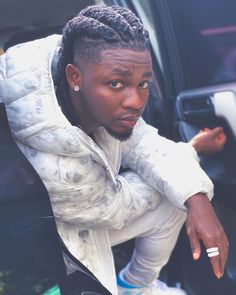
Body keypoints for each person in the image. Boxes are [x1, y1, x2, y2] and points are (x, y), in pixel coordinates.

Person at [0, 4, 228, 295]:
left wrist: (196, 196)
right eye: (117, 83)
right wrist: (191, 153)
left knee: (179, 189)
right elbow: (114, 210)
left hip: (69, 214)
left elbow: (142, 140)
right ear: (74, 77)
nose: (135, 101)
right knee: (170, 194)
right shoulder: (52, 161)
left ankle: (134, 284)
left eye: (143, 83)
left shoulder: (66, 62)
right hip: (51, 240)